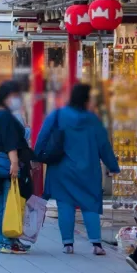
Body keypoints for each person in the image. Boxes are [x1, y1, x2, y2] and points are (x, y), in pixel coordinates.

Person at [35, 83, 120, 256]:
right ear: (87, 100)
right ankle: (96, 244)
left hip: (61, 169)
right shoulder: (93, 120)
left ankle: (68, 244)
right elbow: (104, 145)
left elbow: (42, 136)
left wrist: (36, 158)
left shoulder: (58, 115)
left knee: (65, 204)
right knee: (90, 205)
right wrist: (112, 166)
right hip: (88, 170)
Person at [0, 79, 33, 254]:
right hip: (5, 162)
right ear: (6, 97)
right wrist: (14, 163)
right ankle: (2, 240)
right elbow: (10, 143)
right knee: (4, 203)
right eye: (14, 96)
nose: (17, 100)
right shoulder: (6, 116)